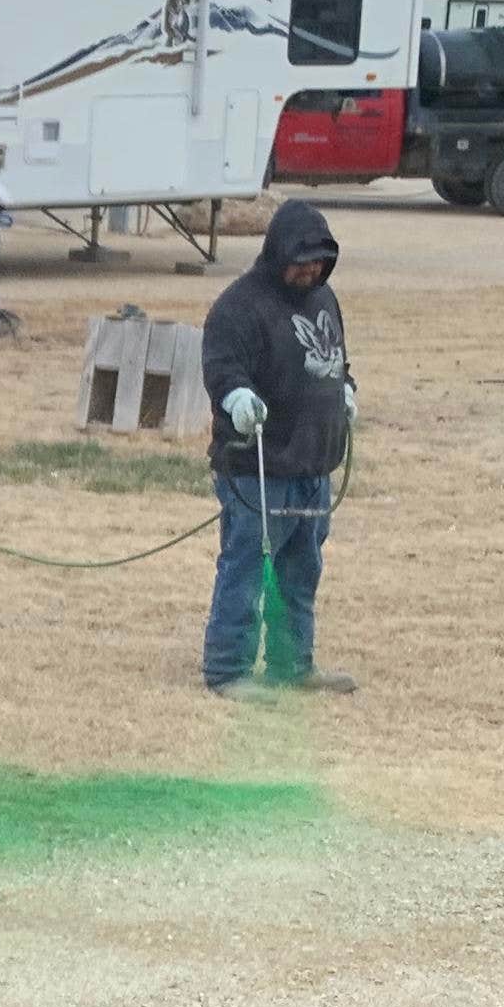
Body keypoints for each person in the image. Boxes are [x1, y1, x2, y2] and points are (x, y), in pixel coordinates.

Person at [198, 199, 358, 694]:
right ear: (278, 253)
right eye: (302, 259)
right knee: (247, 566)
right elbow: (221, 367)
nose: (310, 269)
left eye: (319, 260)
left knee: (300, 572)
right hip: (258, 469)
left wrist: (346, 388)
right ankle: (228, 670)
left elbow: (333, 359)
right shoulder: (238, 307)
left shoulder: (324, 297)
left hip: (312, 466)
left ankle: (292, 666)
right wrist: (237, 397)